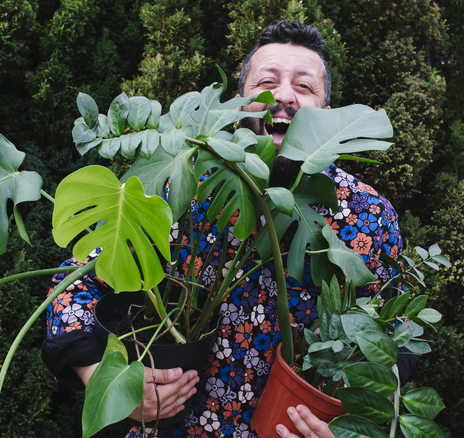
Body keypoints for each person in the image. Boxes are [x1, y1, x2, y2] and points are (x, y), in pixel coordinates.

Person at [42, 20, 412, 438]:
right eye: (267, 82)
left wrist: (349, 427)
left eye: (304, 87)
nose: (284, 96)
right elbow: (72, 287)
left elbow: (393, 337)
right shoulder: (176, 184)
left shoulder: (368, 214)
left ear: (327, 116)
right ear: (238, 104)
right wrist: (105, 380)